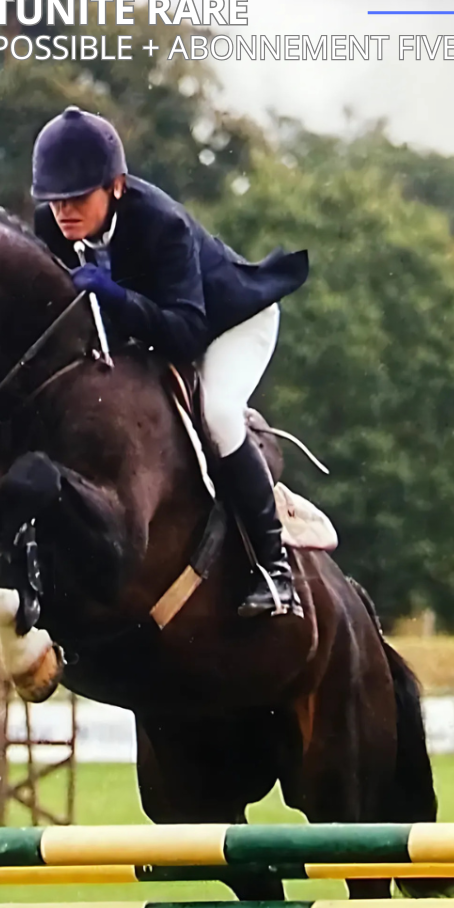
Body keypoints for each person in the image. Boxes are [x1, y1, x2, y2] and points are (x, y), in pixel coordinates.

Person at [31, 106, 310, 617]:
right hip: (160, 328)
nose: (63, 211)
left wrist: (116, 298)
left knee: (218, 415)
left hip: (230, 323)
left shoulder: (163, 225)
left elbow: (185, 335)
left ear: (116, 186)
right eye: (54, 200)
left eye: (77, 198)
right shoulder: (51, 228)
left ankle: (274, 570)